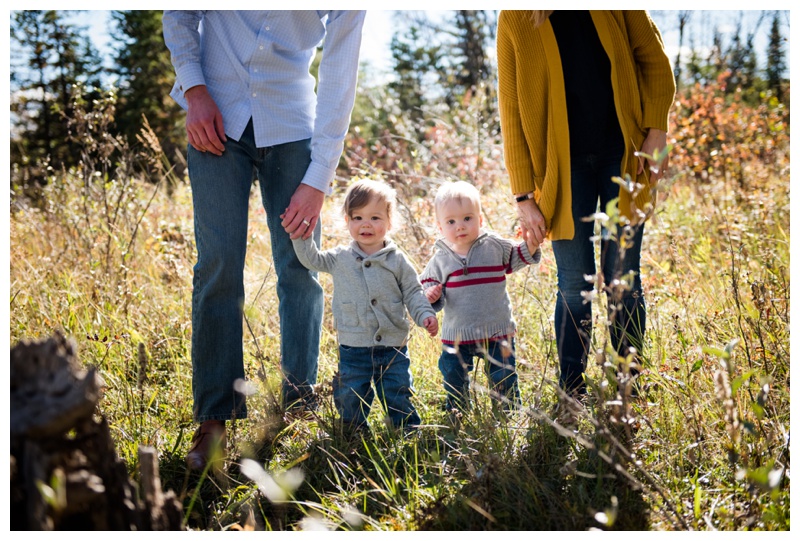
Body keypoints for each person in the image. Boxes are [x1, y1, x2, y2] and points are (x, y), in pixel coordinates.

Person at [162, 10, 366, 470]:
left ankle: (296, 408)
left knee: (300, 266)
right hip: (214, 116)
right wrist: (194, 91)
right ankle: (214, 418)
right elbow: (179, 14)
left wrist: (319, 180)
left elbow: (339, 72)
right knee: (217, 267)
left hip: (293, 125)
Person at [496, 11, 676, 401]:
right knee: (574, 283)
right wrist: (524, 196)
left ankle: (629, 390)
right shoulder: (515, 15)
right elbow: (510, 106)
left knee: (622, 279)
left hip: (624, 155)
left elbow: (654, 59)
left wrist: (657, 129)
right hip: (560, 168)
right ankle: (571, 394)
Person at [290, 179, 438, 431]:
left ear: (389, 223)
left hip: (393, 344)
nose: (366, 224)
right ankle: (353, 434)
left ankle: (405, 431)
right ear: (347, 221)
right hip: (354, 345)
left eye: (375, 218)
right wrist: (302, 232)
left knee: (398, 390)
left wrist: (424, 313)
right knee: (350, 394)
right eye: (357, 217)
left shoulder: (397, 260)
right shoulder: (340, 258)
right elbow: (311, 259)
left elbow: (413, 291)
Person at [420, 181, 541, 414]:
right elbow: (426, 285)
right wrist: (431, 294)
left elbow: (518, 255)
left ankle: (508, 414)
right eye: (451, 221)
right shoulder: (440, 259)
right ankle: (458, 411)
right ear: (440, 227)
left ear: (480, 220)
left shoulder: (493, 246)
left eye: (468, 218)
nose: (460, 226)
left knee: (503, 375)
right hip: (456, 335)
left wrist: (532, 245)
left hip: (498, 331)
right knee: (453, 375)